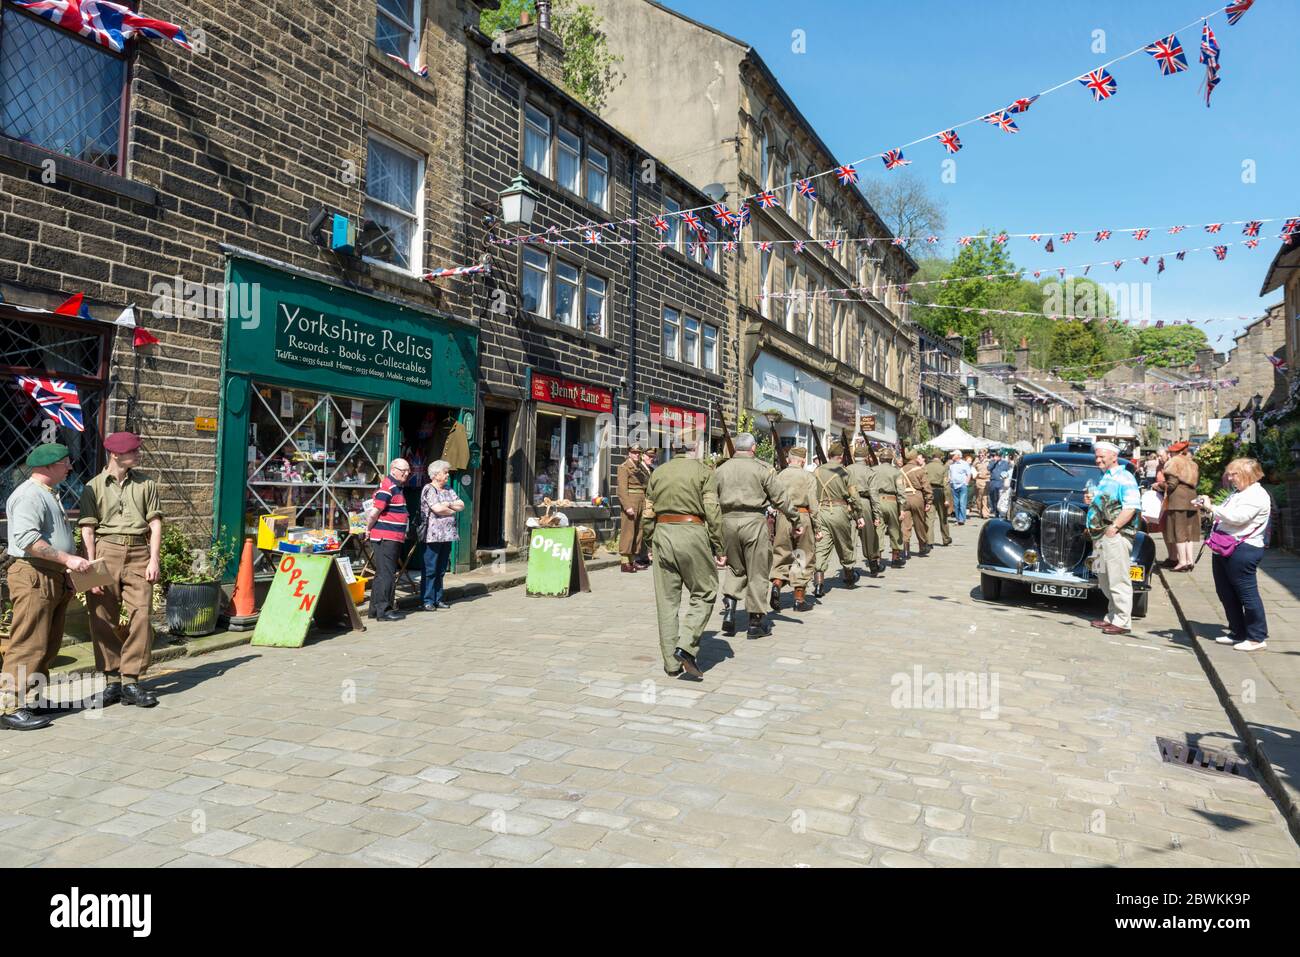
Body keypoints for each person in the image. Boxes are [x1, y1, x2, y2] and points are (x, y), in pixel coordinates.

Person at [2, 444, 92, 730]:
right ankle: (8, 707)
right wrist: (68, 558)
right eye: (65, 463)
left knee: (47, 643)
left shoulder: (48, 493)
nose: (69, 467)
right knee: (28, 642)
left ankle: (32, 699)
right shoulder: (29, 495)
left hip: (50, 574)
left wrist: (64, 568)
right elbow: (28, 539)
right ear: (48, 466)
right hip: (33, 575)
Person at [79, 432, 163, 709]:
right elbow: (88, 528)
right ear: (115, 455)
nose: (138, 455)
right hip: (105, 550)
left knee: (141, 614)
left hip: (139, 551)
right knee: (101, 616)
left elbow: (155, 524)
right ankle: (111, 681)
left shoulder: (146, 484)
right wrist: (91, 569)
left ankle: (131, 681)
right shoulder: (93, 487)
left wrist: (154, 560)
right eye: (133, 451)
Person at [640, 439, 724, 680]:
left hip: (662, 533)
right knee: (706, 590)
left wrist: (649, 541)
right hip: (692, 532)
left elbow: (648, 512)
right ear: (693, 449)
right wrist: (719, 546)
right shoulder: (703, 471)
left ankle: (670, 662)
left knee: (666, 600)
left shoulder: (657, 473)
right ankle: (686, 646)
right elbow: (712, 511)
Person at [714, 433, 800, 638]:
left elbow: (709, 499)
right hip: (753, 522)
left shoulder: (720, 469)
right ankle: (755, 622)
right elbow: (781, 498)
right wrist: (795, 519)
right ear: (753, 448)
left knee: (735, 568)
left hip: (727, 522)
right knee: (757, 571)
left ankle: (730, 610)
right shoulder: (762, 469)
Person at [1195, 458, 1272, 652]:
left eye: (1234, 474)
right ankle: (1237, 631)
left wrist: (1212, 507)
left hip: (1244, 549)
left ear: (1249, 474)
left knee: (1247, 593)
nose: (1230, 478)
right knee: (1226, 592)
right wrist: (1207, 509)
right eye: (1229, 474)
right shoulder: (1239, 492)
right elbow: (1224, 517)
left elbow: (1238, 518)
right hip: (1225, 545)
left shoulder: (1257, 495)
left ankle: (1257, 636)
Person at [1083, 441, 1141, 636]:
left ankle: (1123, 621)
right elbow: (1105, 501)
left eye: (1102, 457)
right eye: (1097, 457)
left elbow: (1131, 506)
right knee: (1104, 578)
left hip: (1114, 535)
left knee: (1118, 577)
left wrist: (1115, 527)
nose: (1098, 460)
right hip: (1099, 535)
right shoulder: (1105, 477)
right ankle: (1112, 616)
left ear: (1114, 457)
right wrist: (1092, 500)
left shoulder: (1125, 477)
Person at [769, 445, 822, 611]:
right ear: (803, 461)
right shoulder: (808, 477)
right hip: (803, 515)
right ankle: (799, 599)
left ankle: (777, 583)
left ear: (788, 459)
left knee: (781, 553)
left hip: (783, 517)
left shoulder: (780, 475)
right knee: (802, 556)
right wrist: (818, 526)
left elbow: (773, 498)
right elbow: (813, 503)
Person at [812, 441, 868, 596]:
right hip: (839, 511)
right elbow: (854, 496)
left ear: (829, 455)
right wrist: (859, 515)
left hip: (821, 511)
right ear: (841, 457)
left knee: (822, 547)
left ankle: (818, 584)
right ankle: (849, 576)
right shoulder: (843, 472)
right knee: (845, 544)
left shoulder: (817, 471)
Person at [365, 458, 411, 621]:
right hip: (386, 537)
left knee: (382, 573)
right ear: (393, 470)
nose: (406, 473)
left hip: (391, 537)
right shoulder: (388, 486)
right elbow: (374, 512)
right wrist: (368, 529)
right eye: (403, 470)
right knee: (388, 574)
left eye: (408, 471)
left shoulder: (396, 487)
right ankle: (384, 611)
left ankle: (374, 610)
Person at [418, 460, 463, 611]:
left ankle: (438, 598)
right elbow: (437, 509)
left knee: (442, 568)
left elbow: (461, 505)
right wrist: (451, 507)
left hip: (448, 535)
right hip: (432, 535)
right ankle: (427, 600)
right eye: (445, 472)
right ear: (436, 475)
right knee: (430, 568)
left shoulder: (449, 489)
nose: (448, 475)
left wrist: (448, 505)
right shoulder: (428, 489)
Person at [845, 444, 884, 577]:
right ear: (866, 457)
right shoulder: (869, 472)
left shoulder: (846, 469)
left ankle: (848, 568)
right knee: (869, 536)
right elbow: (874, 495)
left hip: (849, 503)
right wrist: (877, 514)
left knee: (850, 536)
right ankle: (873, 565)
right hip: (865, 502)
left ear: (854, 457)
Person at [867, 446, 909, 568]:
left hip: (877, 501)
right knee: (895, 529)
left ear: (881, 459)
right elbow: (901, 492)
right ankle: (895, 558)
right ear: (891, 460)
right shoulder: (896, 472)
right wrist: (902, 509)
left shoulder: (872, 470)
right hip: (892, 502)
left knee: (877, 530)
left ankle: (878, 559)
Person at [1162, 441, 1200, 571]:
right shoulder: (1192, 463)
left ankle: (1182, 561)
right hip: (1192, 499)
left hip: (1178, 501)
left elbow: (1171, 484)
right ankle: (1190, 561)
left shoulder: (1174, 462)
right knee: (1188, 532)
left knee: (1178, 532)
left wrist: (1159, 486)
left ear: (1174, 452)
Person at [616, 443, 648, 573]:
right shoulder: (624, 467)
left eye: (638, 453)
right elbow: (622, 489)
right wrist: (627, 506)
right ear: (629, 453)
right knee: (628, 531)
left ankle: (632, 560)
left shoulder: (640, 468)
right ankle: (625, 562)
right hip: (631, 501)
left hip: (641, 501)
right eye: (634, 452)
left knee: (638, 532)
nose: (636, 455)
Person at [899, 449, 931, 562]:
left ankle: (906, 550)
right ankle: (922, 546)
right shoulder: (920, 470)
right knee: (920, 523)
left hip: (904, 497)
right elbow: (926, 487)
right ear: (914, 458)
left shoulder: (901, 470)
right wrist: (929, 501)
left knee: (905, 525)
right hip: (916, 496)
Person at [923, 451, 953, 545]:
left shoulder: (926, 467)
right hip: (940, 492)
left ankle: (929, 540)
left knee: (929, 518)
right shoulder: (943, 468)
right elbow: (946, 484)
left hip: (929, 491)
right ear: (941, 457)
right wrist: (947, 499)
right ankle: (946, 538)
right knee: (943, 517)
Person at [948, 450, 974, 525]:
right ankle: (958, 519)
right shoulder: (951, 465)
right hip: (954, 486)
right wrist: (950, 481)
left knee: (962, 503)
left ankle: (962, 519)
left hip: (962, 485)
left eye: (953, 455)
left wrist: (966, 483)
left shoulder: (964, 464)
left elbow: (969, 474)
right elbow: (950, 474)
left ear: (958, 456)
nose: (952, 456)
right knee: (956, 504)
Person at [988, 451, 1012, 517]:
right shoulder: (992, 462)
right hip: (993, 482)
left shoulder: (1005, 463)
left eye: (998, 456)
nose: (997, 457)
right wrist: (994, 462)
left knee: (1000, 498)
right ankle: (995, 512)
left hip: (1001, 482)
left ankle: (1000, 513)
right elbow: (989, 468)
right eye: (996, 455)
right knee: (993, 498)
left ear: (1001, 456)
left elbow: (1008, 471)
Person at [974, 451, 991, 519]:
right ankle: (980, 510)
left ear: (985, 455)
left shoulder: (988, 462)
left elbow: (991, 469)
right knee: (979, 498)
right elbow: (972, 469)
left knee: (985, 497)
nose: (981, 456)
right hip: (978, 481)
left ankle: (985, 514)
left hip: (986, 480)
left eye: (982, 455)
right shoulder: (976, 462)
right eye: (979, 455)